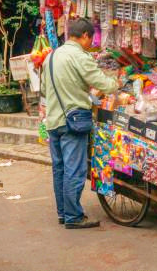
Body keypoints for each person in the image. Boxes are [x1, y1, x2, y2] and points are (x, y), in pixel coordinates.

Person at [40, 17, 118, 229]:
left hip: (53, 121)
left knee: (60, 169)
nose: (91, 44)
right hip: (73, 122)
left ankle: (63, 213)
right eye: (90, 40)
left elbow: (44, 90)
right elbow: (102, 83)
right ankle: (74, 217)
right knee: (74, 170)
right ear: (84, 36)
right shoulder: (79, 56)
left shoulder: (51, 57)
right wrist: (115, 82)